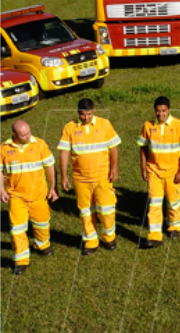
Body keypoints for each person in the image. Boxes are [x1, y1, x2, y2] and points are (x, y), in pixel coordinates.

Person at [57, 98, 121, 255]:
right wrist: (64, 176)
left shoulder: (105, 124)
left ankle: (109, 237)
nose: (86, 118)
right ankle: (91, 241)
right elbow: (64, 153)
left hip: (103, 177)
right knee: (86, 211)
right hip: (80, 179)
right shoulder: (69, 128)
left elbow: (113, 148)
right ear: (78, 112)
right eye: (83, 115)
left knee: (106, 209)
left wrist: (114, 168)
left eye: (89, 114)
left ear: (94, 111)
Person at [0, 120, 57, 275]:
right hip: (16, 197)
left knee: (42, 224)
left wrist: (53, 187)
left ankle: (42, 246)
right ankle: (21, 260)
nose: (27, 136)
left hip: (39, 195)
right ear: (14, 135)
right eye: (23, 135)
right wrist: (1, 189)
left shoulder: (39, 144)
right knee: (17, 229)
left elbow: (50, 165)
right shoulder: (4, 149)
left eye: (29, 133)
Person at [137, 97, 180, 249]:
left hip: (173, 172)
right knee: (154, 203)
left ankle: (174, 226)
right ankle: (155, 236)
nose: (160, 114)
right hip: (154, 171)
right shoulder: (148, 126)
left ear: (169, 110)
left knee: (173, 201)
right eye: (157, 110)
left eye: (163, 111)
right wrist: (143, 167)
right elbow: (143, 148)